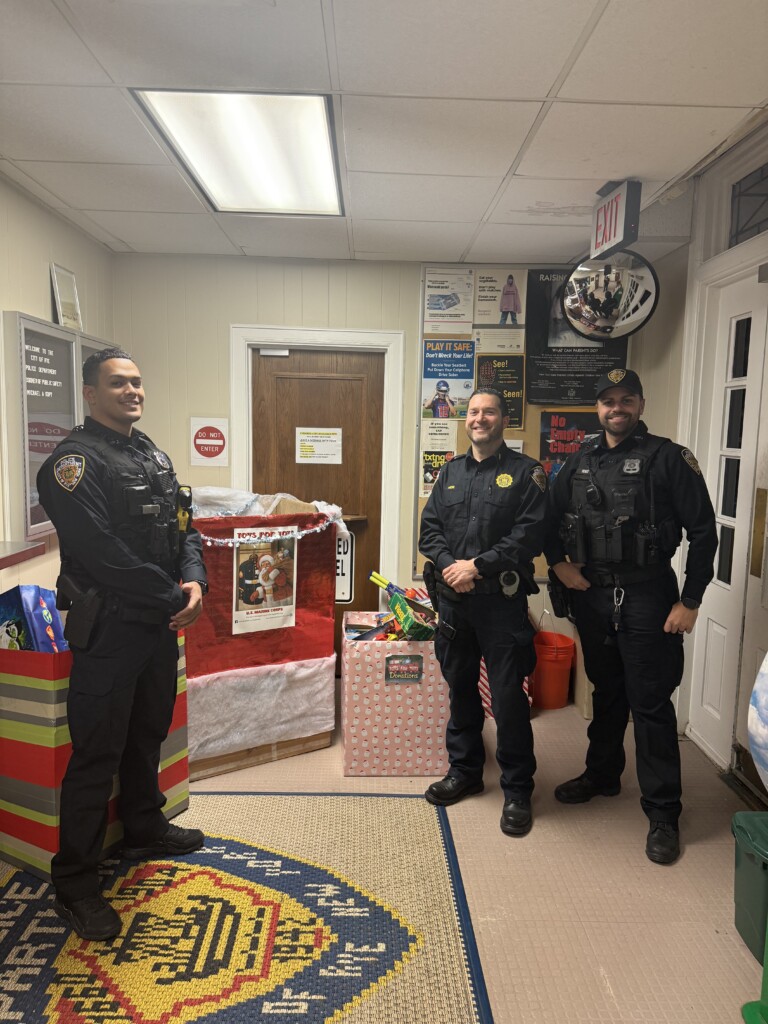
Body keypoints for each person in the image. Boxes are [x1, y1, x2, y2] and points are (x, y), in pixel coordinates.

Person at [37, 348, 208, 940]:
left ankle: (143, 827)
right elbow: (102, 553)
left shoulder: (150, 453)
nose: (132, 391)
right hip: (111, 629)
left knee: (147, 733)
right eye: (118, 384)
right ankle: (76, 885)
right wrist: (174, 597)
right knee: (95, 757)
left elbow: (186, 525)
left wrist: (196, 580)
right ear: (89, 394)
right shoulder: (72, 465)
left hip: (159, 626)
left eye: (137, 382)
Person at [544, 369, 717, 864]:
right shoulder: (577, 462)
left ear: (640, 404)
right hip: (594, 597)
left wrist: (691, 600)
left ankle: (663, 812)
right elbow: (549, 523)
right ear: (597, 408)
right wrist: (559, 565)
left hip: (649, 597)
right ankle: (602, 775)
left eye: (626, 400)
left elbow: (704, 532)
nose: (616, 408)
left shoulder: (669, 458)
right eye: (607, 401)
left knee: (650, 703)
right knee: (607, 693)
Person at [419, 388, 548, 836]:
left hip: (500, 605)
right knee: (460, 691)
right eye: (473, 412)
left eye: (488, 411)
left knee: (509, 699)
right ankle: (466, 773)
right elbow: (429, 529)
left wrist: (477, 566)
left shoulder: (527, 473)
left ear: (503, 419)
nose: (479, 418)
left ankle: (517, 789)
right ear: (465, 419)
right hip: (455, 604)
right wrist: (453, 568)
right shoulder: (450, 473)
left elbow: (528, 536)